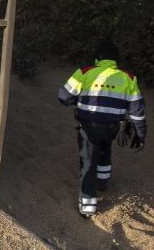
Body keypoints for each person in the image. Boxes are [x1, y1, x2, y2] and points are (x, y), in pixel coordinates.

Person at [57, 40, 146, 217]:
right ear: (116, 60)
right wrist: (140, 133)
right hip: (113, 127)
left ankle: (88, 207)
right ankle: (103, 182)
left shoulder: (84, 72)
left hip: (88, 126)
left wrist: (79, 100)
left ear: (98, 58)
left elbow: (63, 97)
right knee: (105, 149)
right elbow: (137, 110)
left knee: (88, 162)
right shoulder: (128, 77)